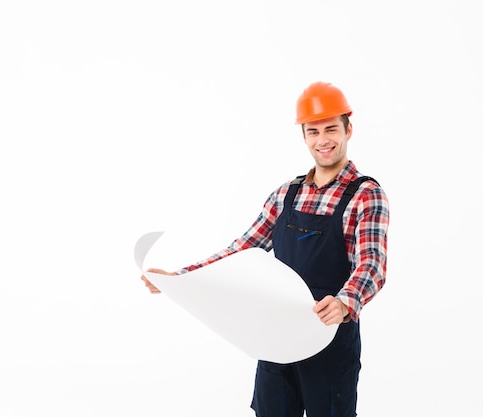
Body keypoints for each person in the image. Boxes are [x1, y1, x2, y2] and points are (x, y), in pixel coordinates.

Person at [141, 81, 390, 417]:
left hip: (330, 338)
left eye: (331, 129)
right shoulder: (286, 194)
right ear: (304, 136)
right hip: (276, 336)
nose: (323, 140)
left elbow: (371, 265)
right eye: (313, 132)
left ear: (348, 129)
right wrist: (180, 278)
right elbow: (242, 250)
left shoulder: (365, 195)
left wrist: (345, 303)